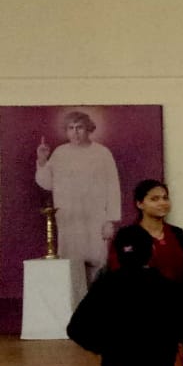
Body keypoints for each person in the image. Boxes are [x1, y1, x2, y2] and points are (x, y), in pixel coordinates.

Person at [67, 224, 183, 366]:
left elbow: (76, 329)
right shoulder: (168, 288)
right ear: (151, 250)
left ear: (118, 253)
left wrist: (105, 347)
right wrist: (165, 342)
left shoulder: (104, 287)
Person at [34, 111, 122, 282]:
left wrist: (110, 220)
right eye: (70, 128)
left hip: (95, 218)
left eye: (79, 127)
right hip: (70, 219)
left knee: (97, 262)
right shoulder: (60, 153)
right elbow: (47, 183)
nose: (75, 132)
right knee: (70, 264)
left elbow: (113, 187)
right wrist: (42, 161)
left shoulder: (102, 153)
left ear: (88, 129)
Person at [108, 180, 183, 321]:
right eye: (154, 199)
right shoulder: (127, 236)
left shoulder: (178, 235)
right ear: (139, 204)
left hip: (179, 314)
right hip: (141, 316)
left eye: (165, 198)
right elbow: (118, 278)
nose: (162, 203)